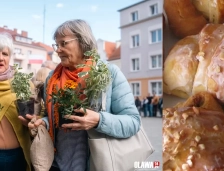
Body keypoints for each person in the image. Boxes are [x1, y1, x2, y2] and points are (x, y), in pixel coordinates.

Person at [23, 19, 141, 171]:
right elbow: (54, 118)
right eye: (56, 45)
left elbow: (133, 122)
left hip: (95, 164)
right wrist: (44, 122)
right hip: (56, 163)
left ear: (83, 42)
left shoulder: (109, 73)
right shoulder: (52, 78)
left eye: (63, 43)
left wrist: (99, 120)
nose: (57, 50)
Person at [0, 33, 32, 171]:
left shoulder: (22, 83)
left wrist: (34, 120)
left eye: (5, 54)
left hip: (19, 156)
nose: (0, 58)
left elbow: (39, 112)